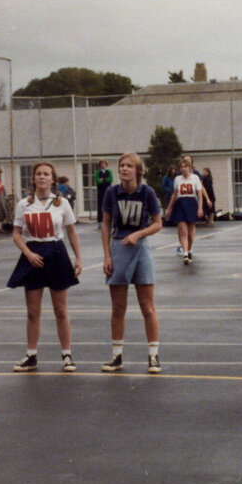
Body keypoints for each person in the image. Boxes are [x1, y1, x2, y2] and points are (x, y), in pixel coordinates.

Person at [8, 161, 83, 373]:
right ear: (33, 179)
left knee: (61, 309)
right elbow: (16, 234)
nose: (42, 177)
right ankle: (31, 355)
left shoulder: (62, 203)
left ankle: (66, 355)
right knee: (33, 311)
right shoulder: (24, 204)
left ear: (53, 179)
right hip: (33, 254)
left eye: (46, 174)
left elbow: (71, 232)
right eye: (39, 174)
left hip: (56, 253)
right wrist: (28, 253)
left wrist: (78, 258)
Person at [100, 153, 163, 374]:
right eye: (122, 165)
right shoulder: (111, 193)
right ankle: (117, 356)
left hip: (141, 248)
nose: (124, 169)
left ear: (138, 171)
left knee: (147, 307)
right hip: (119, 248)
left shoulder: (147, 193)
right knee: (118, 308)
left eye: (129, 166)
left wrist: (138, 234)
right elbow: (106, 225)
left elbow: (158, 223)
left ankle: (153, 356)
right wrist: (107, 256)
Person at [164, 155, 209, 265]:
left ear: (189, 168)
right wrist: (169, 209)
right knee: (183, 231)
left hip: (191, 203)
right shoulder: (177, 179)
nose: (184, 169)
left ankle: (189, 250)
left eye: (186, 167)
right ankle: (185, 254)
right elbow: (174, 194)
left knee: (190, 231)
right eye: (182, 167)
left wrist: (200, 208)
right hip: (180, 204)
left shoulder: (195, 178)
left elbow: (199, 194)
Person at [95, 160, 113, 227]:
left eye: (104, 164)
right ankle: (100, 221)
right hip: (100, 190)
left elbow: (111, 179)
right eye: (101, 164)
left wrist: (103, 179)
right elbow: (98, 181)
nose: (103, 165)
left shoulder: (109, 171)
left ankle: (110, 221)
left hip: (108, 190)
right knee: (100, 205)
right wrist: (104, 180)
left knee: (109, 205)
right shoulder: (97, 172)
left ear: (106, 164)